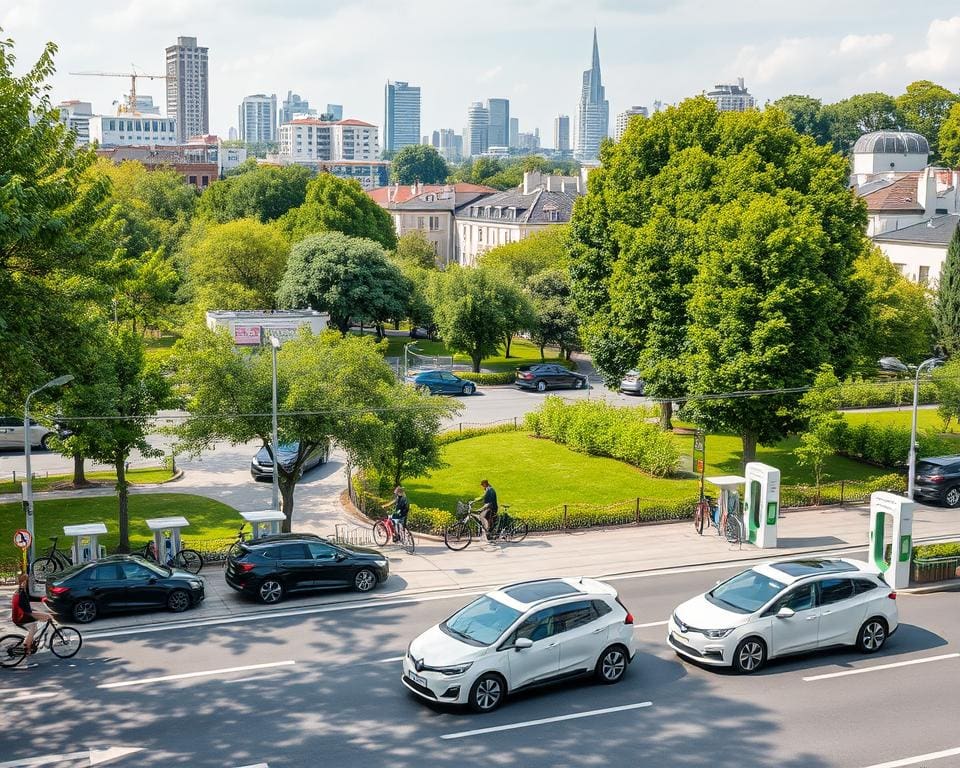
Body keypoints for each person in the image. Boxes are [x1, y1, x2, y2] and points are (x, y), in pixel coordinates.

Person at [11, 573, 54, 654]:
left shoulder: (20, 590)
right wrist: (40, 615)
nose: (29, 583)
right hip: (21, 616)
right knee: (34, 626)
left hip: (20, 615)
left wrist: (42, 600)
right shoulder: (21, 592)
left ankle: (27, 642)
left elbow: (27, 605)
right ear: (24, 582)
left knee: (36, 626)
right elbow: (27, 610)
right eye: (27, 581)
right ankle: (27, 649)